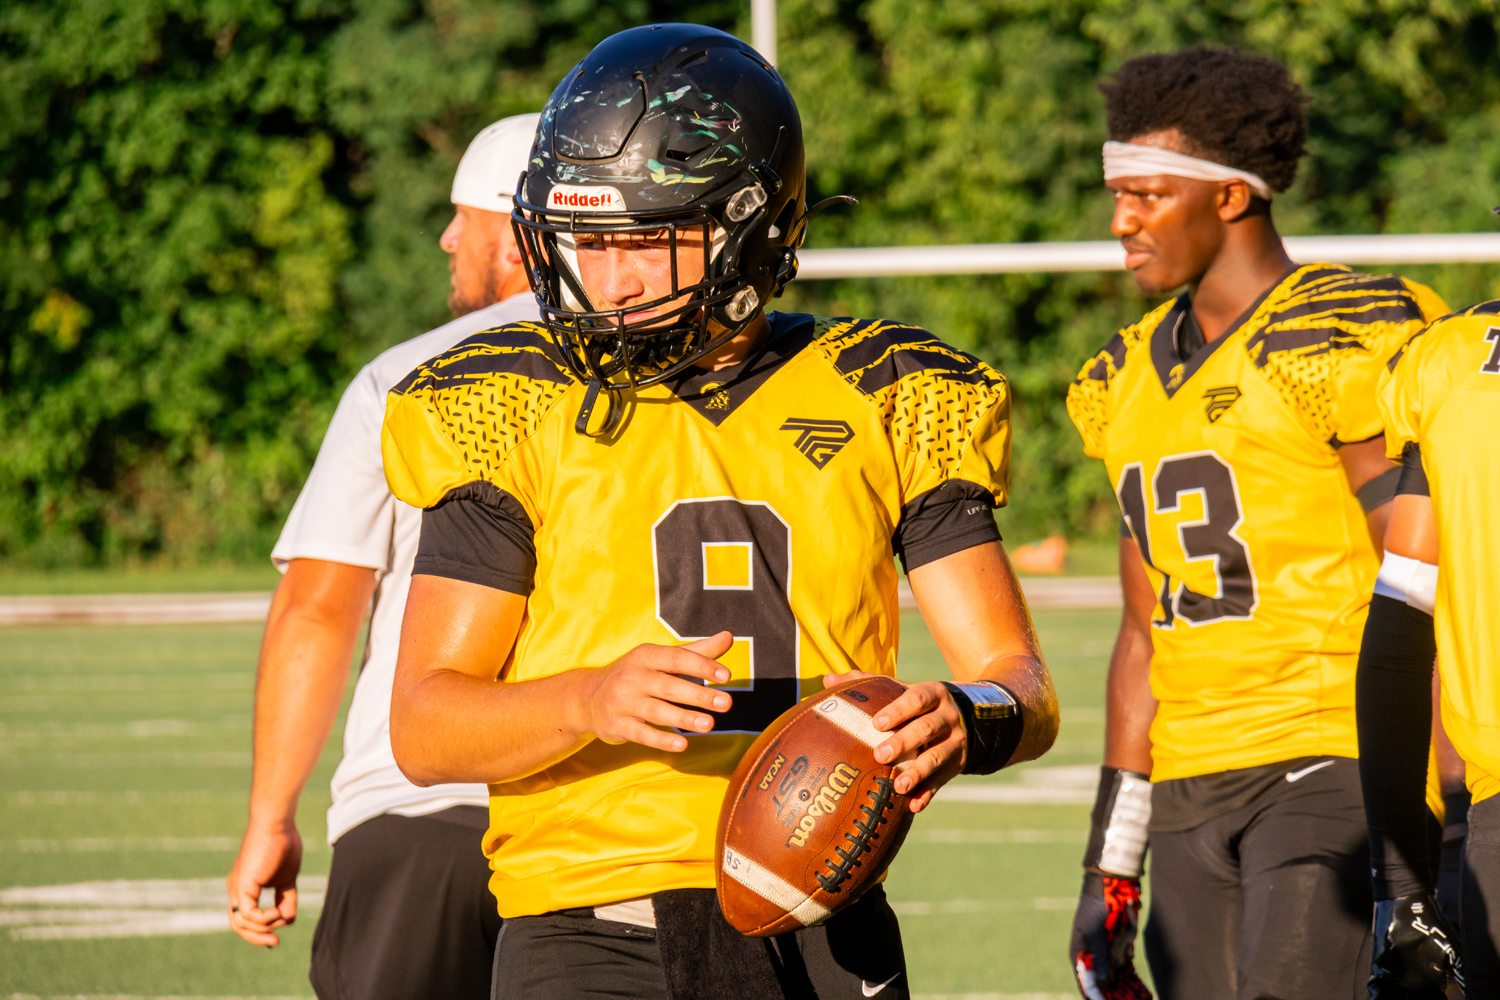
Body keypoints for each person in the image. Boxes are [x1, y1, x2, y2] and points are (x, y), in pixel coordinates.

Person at [379, 23, 1060, 1000]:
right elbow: (425, 722)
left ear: (752, 224)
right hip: (590, 930)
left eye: (649, 240)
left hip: (824, 914)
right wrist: (586, 698)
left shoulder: (884, 390)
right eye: (591, 241)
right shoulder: (509, 400)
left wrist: (966, 716)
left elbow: (1022, 685)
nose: (611, 279)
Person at [1062, 46, 1449, 1000]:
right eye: (1120, 195)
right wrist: (1109, 864)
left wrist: (1444, 819)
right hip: (1192, 783)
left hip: (1329, 762)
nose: (1122, 222)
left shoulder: (1337, 332)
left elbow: (1428, 587)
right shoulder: (1124, 375)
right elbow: (1142, 636)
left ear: (1231, 196)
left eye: (1148, 195)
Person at [225, 113, 540, 1000]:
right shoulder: (665, 377)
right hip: (608, 824)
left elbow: (319, 608)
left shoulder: (409, 375)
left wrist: (269, 818)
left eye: (463, 218)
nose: (446, 239)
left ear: (518, 233)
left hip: (419, 810)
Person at [1355, 299, 1500, 995]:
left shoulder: (1454, 358)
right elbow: (1402, 622)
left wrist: (1402, 884)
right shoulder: (1447, 359)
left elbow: (1399, 627)